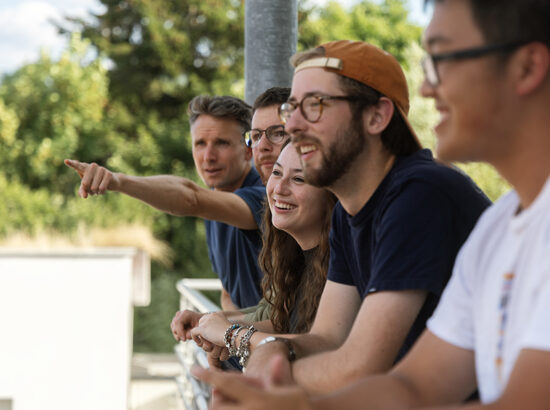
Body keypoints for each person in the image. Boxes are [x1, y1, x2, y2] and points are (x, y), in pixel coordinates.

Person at [194, 0, 550, 408]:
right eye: (293, 108)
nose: (291, 125)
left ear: (378, 117)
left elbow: (359, 366)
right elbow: (407, 382)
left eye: (314, 105)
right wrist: (273, 359)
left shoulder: (421, 194)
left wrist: (273, 367)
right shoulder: (497, 225)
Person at [65, 91, 289, 310]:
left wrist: (116, 181)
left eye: (221, 143)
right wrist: (225, 331)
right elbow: (229, 292)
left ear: (248, 149)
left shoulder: (267, 195)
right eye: (200, 143)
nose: (208, 156)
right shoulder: (214, 201)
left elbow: (191, 199)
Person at [171, 142, 337, 367]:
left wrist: (231, 335)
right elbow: (282, 324)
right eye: (276, 173)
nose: (278, 189)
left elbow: (324, 347)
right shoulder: (295, 259)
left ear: (332, 193)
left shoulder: (340, 264)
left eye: (298, 179)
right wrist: (211, 325)